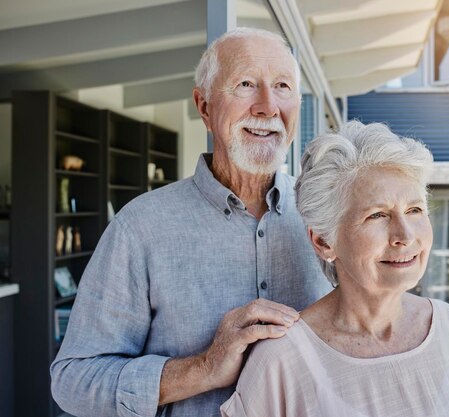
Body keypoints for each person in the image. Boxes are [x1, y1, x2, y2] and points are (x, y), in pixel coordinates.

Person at [50, 28, 330, 417]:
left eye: (282, 86)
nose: (268, 106)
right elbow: (74, 382)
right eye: (246, 84)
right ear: (204, 107)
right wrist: (204, 368)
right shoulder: (140, 228)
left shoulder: (328, 217)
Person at [221, 121, 449, 417]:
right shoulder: (282, 360)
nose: (405, 236)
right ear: (324, 241)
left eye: (414, 210)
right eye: (377, 215)